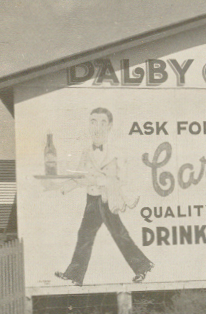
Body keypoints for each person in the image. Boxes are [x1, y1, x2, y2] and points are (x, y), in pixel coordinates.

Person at [54, 107, 153, 286]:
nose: (97, 127)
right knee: (85, 234)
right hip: (92, 199)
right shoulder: (86, 151)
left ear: (109, 126)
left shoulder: (117, 152)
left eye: (102, 122)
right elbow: (81, 176)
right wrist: (64, 187)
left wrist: (109, 184)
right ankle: (75, 274)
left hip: (108, 199)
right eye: (93, 122)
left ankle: (142, 266)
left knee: (118, 234)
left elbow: (124, 179)